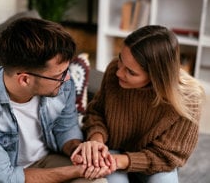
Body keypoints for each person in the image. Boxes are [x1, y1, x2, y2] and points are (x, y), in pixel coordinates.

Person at [0, 17, 114, 183]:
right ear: (24, 79)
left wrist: (79, 150)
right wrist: (76, 171)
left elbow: (65, 127)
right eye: (59, 75)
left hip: (46, 160)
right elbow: (5, 176)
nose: (67, 78)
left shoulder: (62, 84)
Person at [71, 25, 205, 183]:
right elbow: (97, 112)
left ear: (156, 77)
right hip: (111, 151)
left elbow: (169, 156)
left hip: (152, 161)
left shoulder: (188, 99)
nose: (119, 72)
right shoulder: (115, 70)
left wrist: (122, 161)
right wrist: (96, 140)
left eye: (131, 72)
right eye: (120, 59)